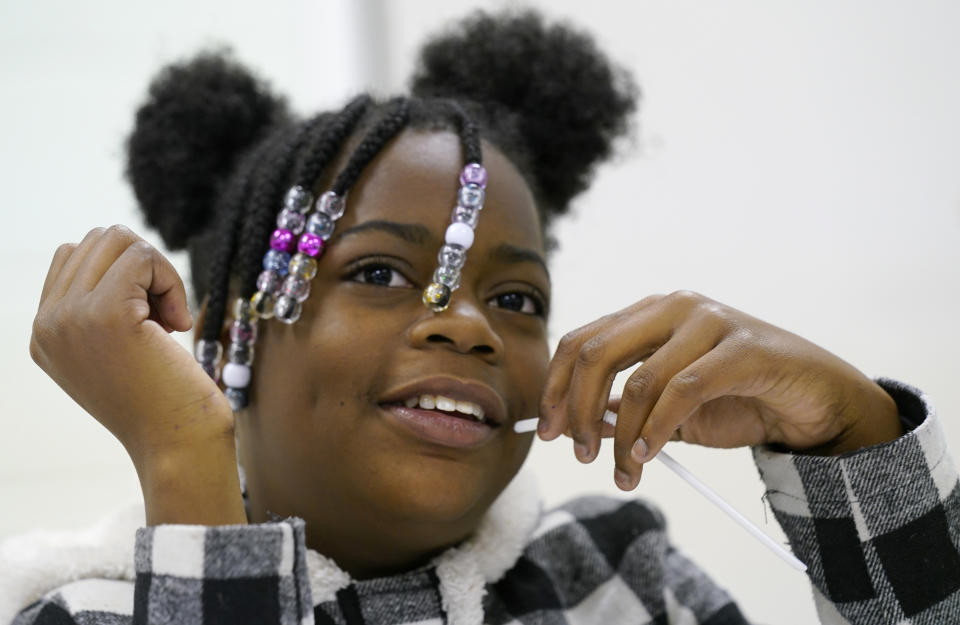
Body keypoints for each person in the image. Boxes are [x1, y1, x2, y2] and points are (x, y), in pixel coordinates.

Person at [5, 8, 959, 625]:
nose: (467, 327)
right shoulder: (88, 614)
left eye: (515, 300)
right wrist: (184, 463)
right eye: (380, 271)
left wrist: (848, 434)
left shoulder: (616, 576)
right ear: (222, 344)